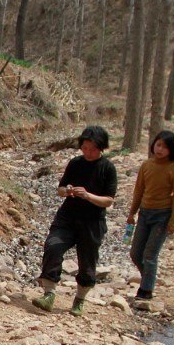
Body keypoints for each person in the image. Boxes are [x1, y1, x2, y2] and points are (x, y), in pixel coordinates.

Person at [31, 124, 118, 315]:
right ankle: (49, 294)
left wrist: (88, 196)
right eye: (85, 148)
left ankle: (79, 299)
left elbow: (109, 200)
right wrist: (68, 190)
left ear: (101, 148)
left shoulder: (108, 168)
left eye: (92, 149)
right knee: (53, 246)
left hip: (92, 222)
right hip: (68, 217)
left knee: (87, 261)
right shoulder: (75, 163)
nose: (88, 152)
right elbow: (60, 189)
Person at [125, 129, 174, 302]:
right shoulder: (146, 165)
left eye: (164, 147)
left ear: (171, 150)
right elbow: (139, 190)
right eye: (158, 145)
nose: (160, 150)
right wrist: (132, 213)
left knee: (150, 255)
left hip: (162, 215)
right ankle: (148, 279)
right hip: (144, 213)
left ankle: (146, 290)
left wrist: (173, 221)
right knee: (136, 253)